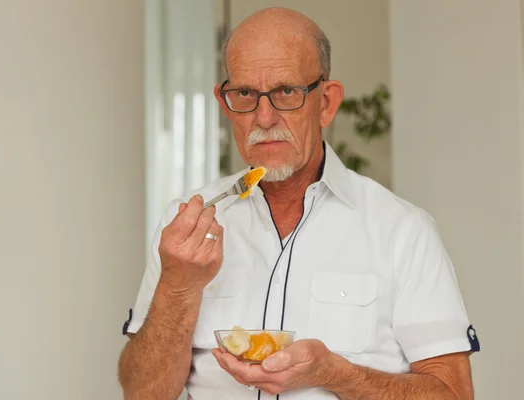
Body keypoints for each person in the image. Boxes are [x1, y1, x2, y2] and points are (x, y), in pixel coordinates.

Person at [118, 7, 479, 400]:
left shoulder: (404, 231)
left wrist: (336, 374)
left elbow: (453, 395)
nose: (265, 117)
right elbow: (142, 393)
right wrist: (177, 287)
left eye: (286, 92)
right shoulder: (186, 223)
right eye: (245, 94)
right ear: (225, 104)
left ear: (326, 102)